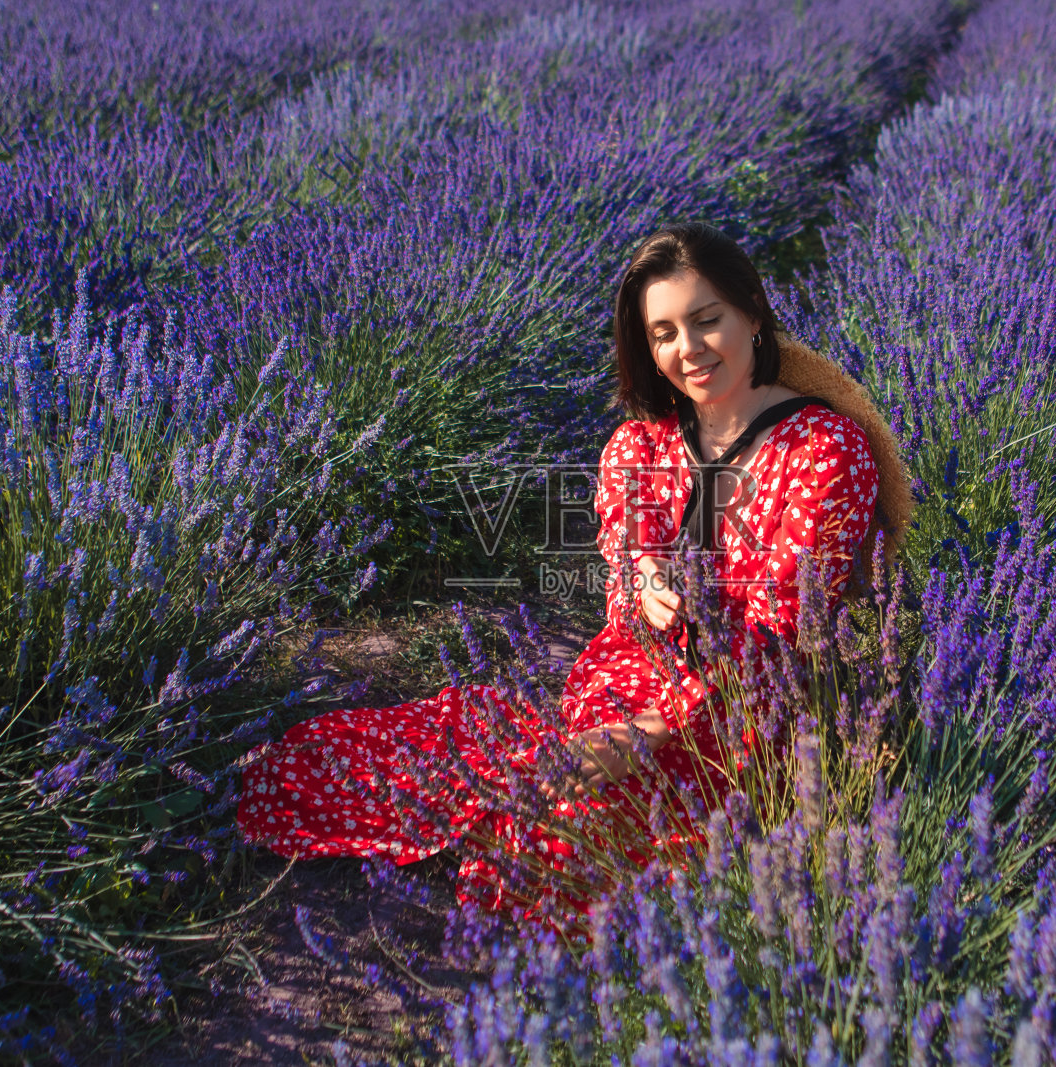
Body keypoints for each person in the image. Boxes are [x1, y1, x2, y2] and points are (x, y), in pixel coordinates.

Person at [235, 221, 911, 912]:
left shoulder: (824, 448)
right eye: (664, 333)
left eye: (707, 320)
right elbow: (627, 574)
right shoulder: (637, 445)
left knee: (554, 841)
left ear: (753, 316)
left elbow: (787, 622)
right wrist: (644, 584)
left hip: (750, 710)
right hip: (628, 679)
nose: (689, 349)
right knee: (546, 800)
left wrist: (653, 730)